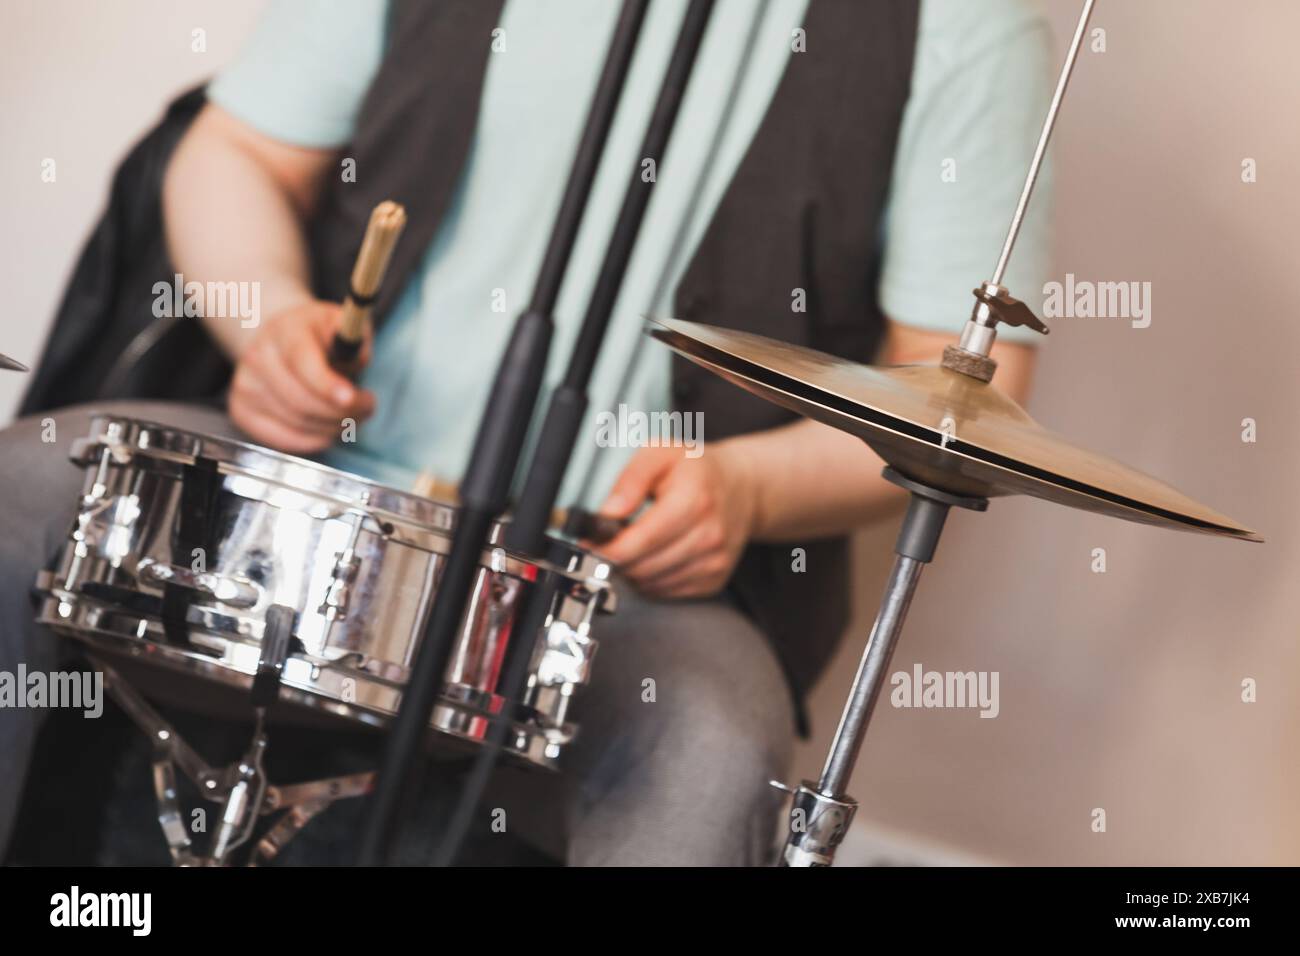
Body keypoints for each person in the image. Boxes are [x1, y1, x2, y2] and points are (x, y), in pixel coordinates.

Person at [0, 0, 1051, 865]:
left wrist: (751, 490)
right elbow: (235, 152)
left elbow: (966, 384)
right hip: (301, 481)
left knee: (709, 756)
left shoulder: (964, 24)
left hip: (626, 588)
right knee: (16, 498)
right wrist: (268, 318)